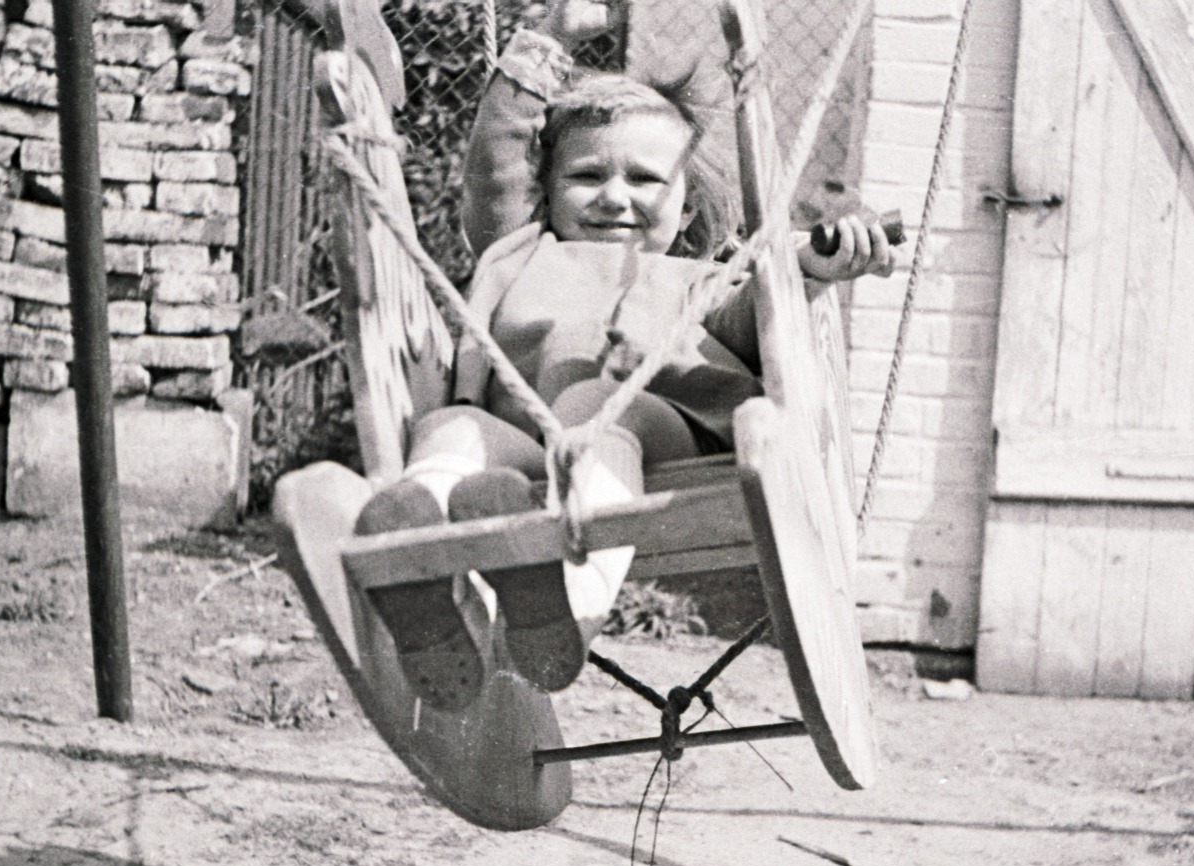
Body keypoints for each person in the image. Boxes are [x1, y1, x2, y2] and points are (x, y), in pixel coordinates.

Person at [354, 0, 895, 710]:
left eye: (644, 180)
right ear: (544, 192)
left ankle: (567, 613)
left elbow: (767, 290)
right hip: (528, 440)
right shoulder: (520, 249)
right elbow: (495, 161)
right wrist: (548, 41)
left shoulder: (701, 279)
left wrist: (820, 262)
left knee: (594, 411)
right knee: (450, 430)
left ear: (687, 205)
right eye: (586, 177)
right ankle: (421, 565)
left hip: (658, 434)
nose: (614, 197)